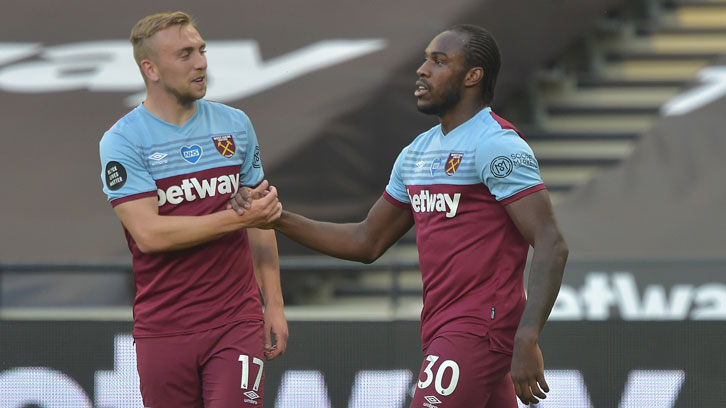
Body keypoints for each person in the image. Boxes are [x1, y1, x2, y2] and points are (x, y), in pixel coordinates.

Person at [232, 24, 568, 406]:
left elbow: (550, 242)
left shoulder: (496, 144)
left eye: (439, 61)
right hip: (443, 326)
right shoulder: (417, 153)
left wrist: (527, 337)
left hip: (479, 329)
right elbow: (366, 241)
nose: (422, 69)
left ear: (473, 76)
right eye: (425, 58)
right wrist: (277, 218)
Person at [98, 11, 288, 408]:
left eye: (201, 50)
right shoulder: (123, 140)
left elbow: (260, 219)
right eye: (185, 54)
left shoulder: (235, 125)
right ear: (150, 68)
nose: (200, 62)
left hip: (236, 321)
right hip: (164, 329)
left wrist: (274, 304)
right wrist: (239, 218)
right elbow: (150, 235)